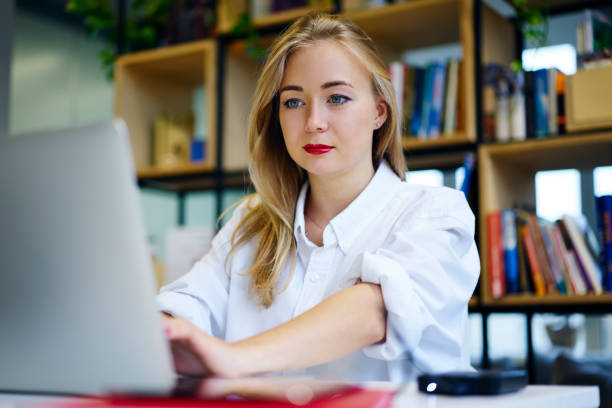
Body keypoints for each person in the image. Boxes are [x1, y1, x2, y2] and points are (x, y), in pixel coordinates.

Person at [157, 12, 480, 382]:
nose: (314, 122)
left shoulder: (436, 213)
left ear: (379, 112)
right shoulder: (250, 223)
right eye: (293, 102)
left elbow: (376, 311)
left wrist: (234, 359)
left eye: (337, 98)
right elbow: (185, 307)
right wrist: (162, 330)